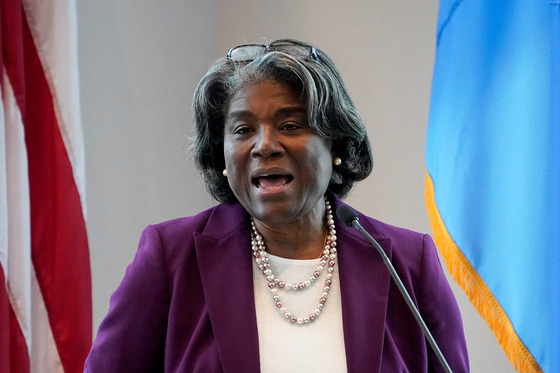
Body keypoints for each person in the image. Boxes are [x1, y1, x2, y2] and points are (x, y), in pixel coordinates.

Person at [84, 39, 469, 372]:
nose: (264, 145)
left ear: (334, 144)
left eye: (290, 125)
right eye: (242, 130)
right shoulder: (171, 258)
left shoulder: (408, 263)